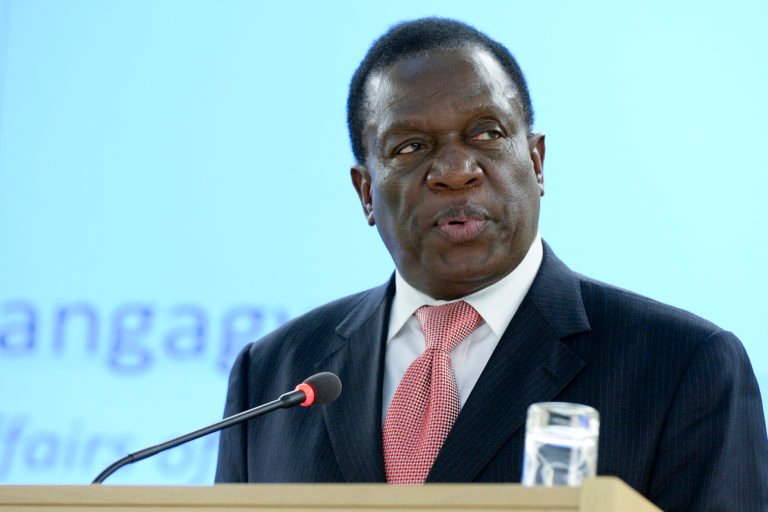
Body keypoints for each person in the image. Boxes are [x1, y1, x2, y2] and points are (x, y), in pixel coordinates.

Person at [215, 17, 768, 511]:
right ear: (365, 192)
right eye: (411, 147)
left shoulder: (681, 365)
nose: (456, 170)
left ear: (536, 160)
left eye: (487, 133)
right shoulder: (274, 375)